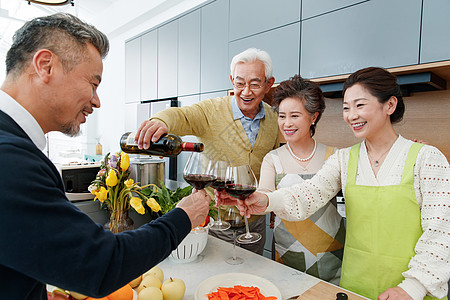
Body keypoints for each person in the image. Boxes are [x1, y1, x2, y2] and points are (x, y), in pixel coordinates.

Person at [0, 13, 211, 300]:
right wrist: (184, 216)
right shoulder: (11, 160)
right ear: (45, 66)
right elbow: (100, 265)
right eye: (93, 83)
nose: (97, 101)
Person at [223, 67, 450, 300]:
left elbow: (442, 233)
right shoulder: (344, 159)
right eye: (346, 107)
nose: (351, 115)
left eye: (360, 105)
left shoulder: (426, 158)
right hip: (354, 283)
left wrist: (412, 288)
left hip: (413, 290)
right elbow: (309, 193)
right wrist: (266, 199)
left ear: (390, 105)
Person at [135, 48, 280, 255]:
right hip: (215, 221)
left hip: (253, 223)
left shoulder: (275, 119)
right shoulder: (210, 110)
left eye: (255, 84)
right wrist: (160, 121)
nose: (246, 91)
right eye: (239, 83)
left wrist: (272, 202)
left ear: (269, 84)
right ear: (232, 80)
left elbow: (274, 163)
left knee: (249, 279)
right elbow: (181, 116)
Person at [258, 75, 345, 285]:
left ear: (313, 117)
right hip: (288, 251)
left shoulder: (336, 156)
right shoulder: (272, 159)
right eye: (282, 116)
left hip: (331, 252)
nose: (286, 123)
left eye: (295, 116)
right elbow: (263, 198)